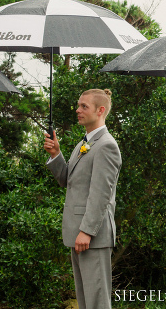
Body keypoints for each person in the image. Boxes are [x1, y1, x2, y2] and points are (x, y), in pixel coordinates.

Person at [43, 88, 121, 309]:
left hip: (92, 236)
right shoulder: (84, 143)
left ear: (100, 110)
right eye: (78, 105)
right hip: (79, 233)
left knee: (97, 301)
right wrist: (56, 154)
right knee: (85, 300)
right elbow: (67, 180)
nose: (77, 110)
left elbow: (101, 195)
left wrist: (86, 231)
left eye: (84, 106)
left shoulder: (106, 145)